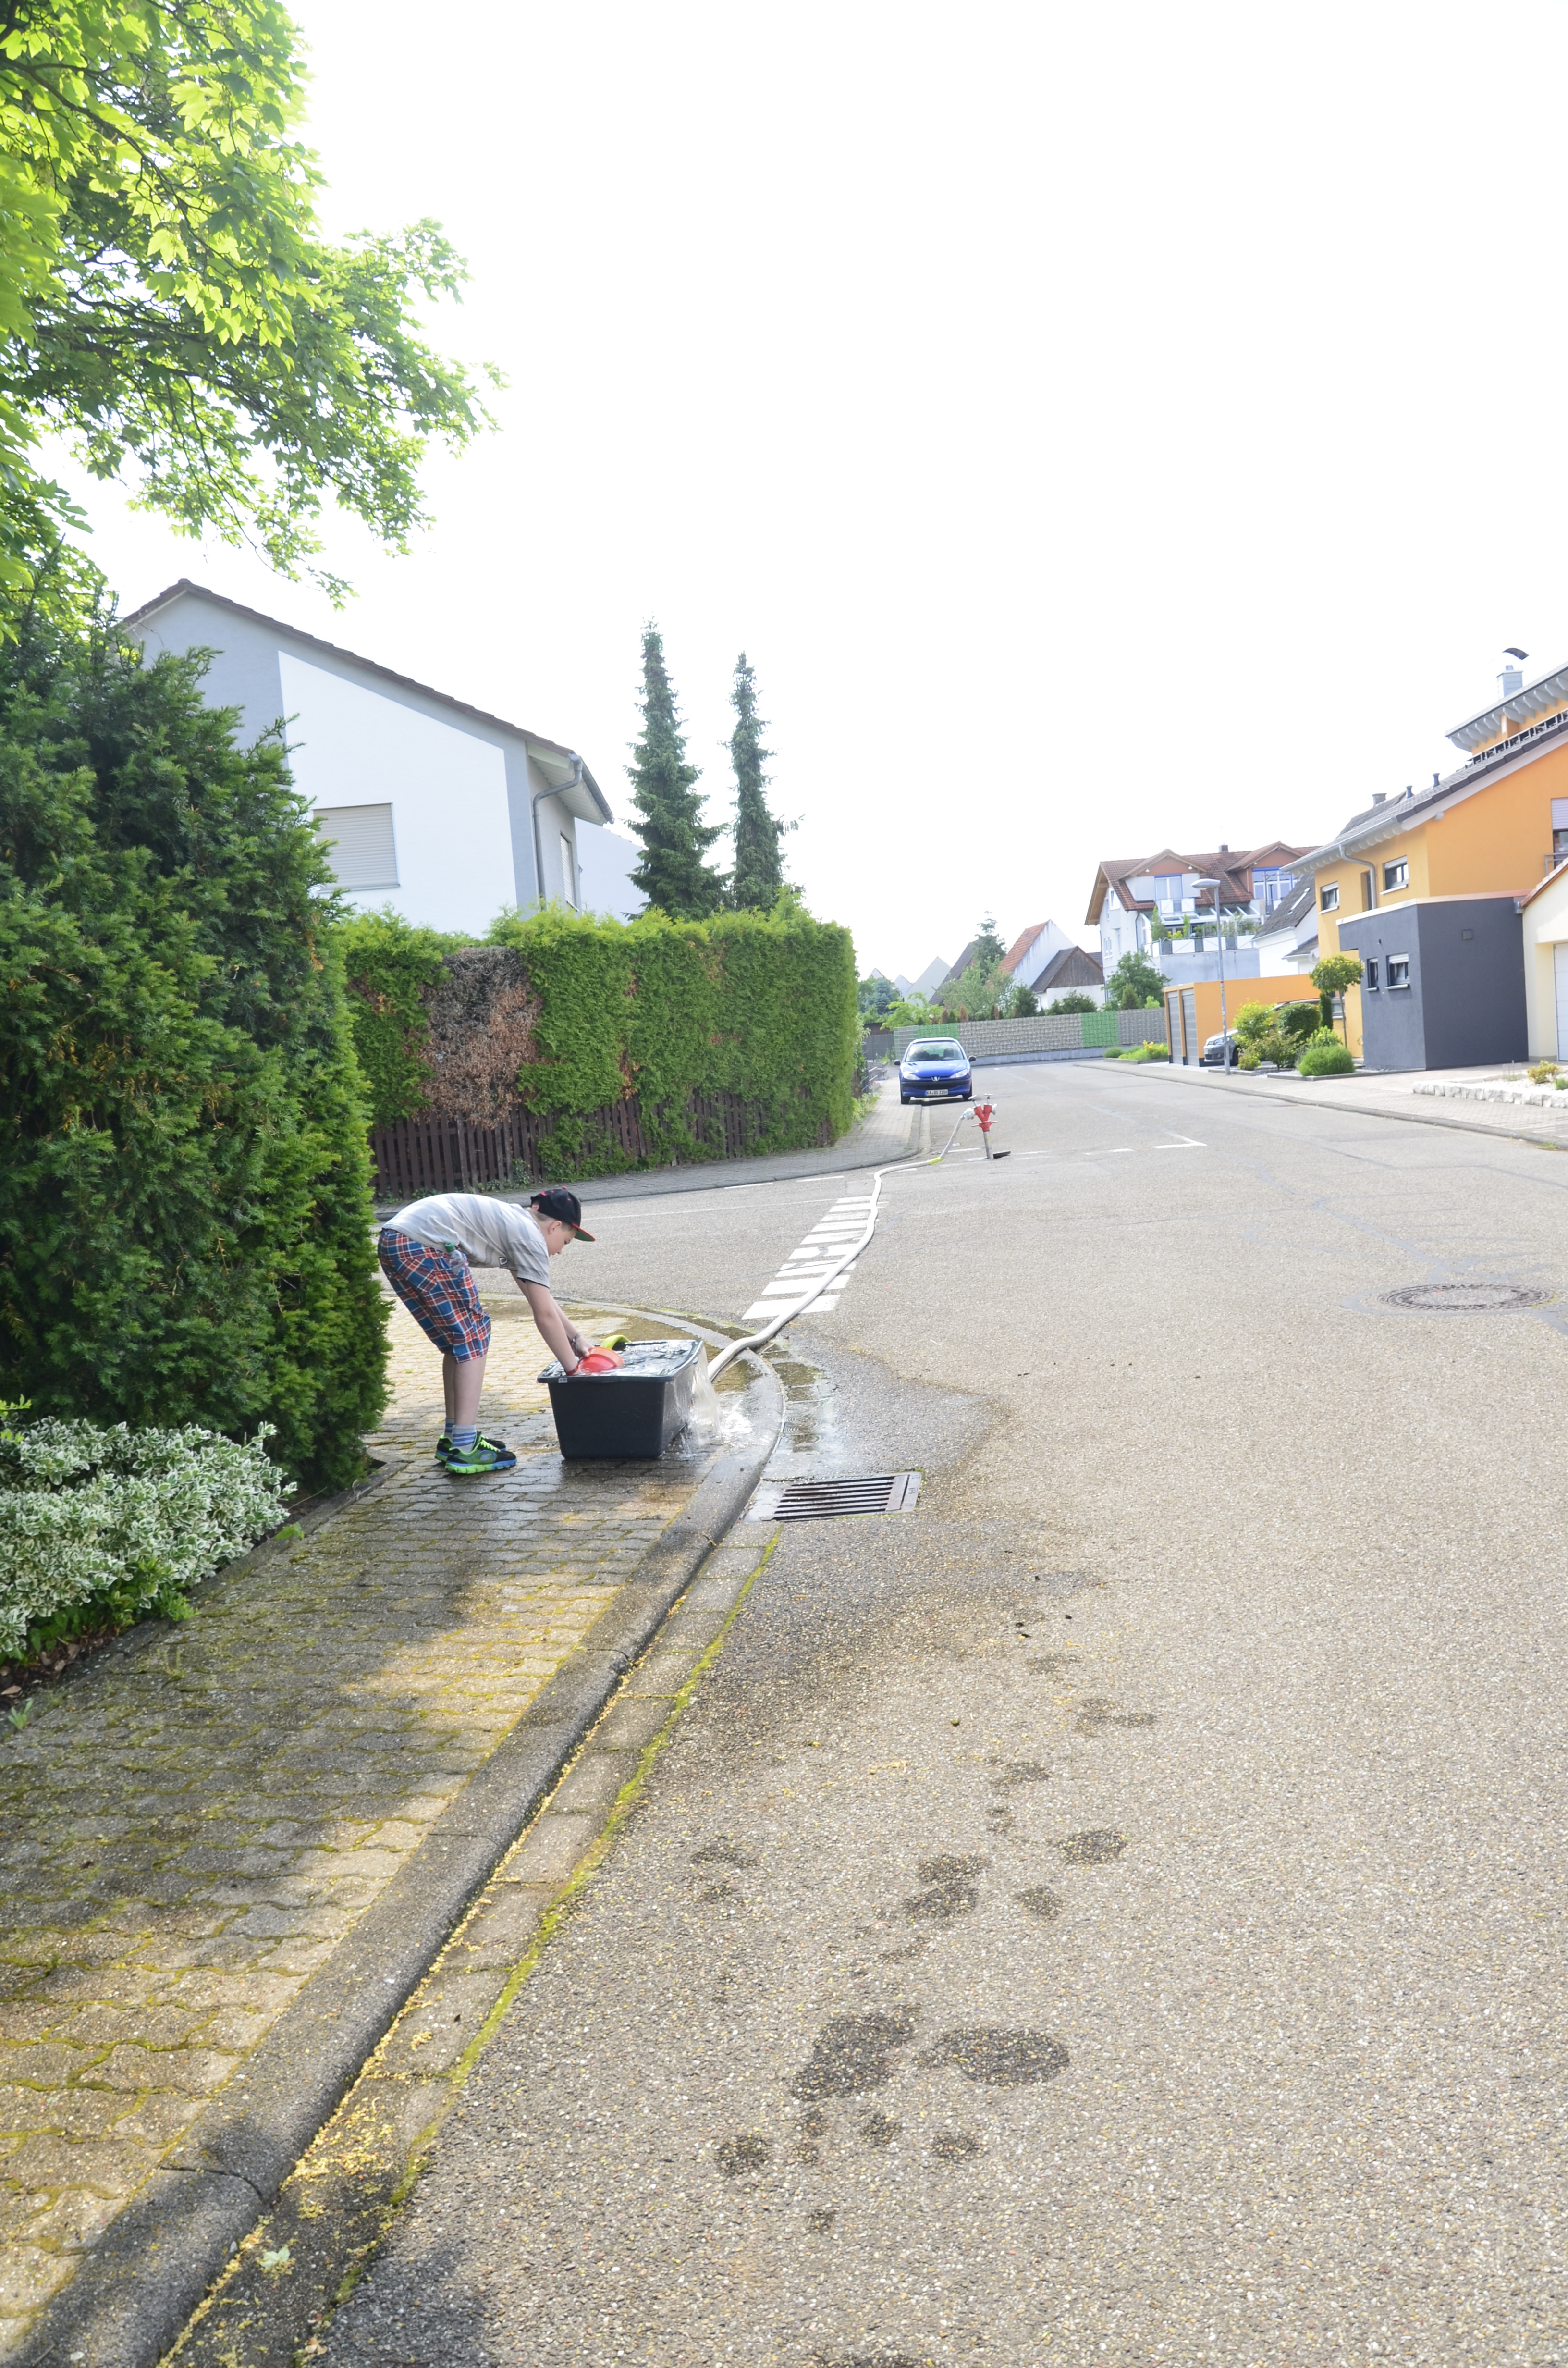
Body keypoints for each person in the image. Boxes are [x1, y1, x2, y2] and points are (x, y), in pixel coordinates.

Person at [377, 1186, 621, 1476]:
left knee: (459, 1342)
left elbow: (540, 1300)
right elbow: (544, 1317)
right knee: (474, 1334)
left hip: (396, 1240)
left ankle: (454, 1438)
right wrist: (574, 1373)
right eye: (565, 1242)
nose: (560, 1251)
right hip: (425, 1244)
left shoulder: (519, 1227)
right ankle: (465, 1447)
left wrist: (577, 1339)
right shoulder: (530, 1238)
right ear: (555, 1226)